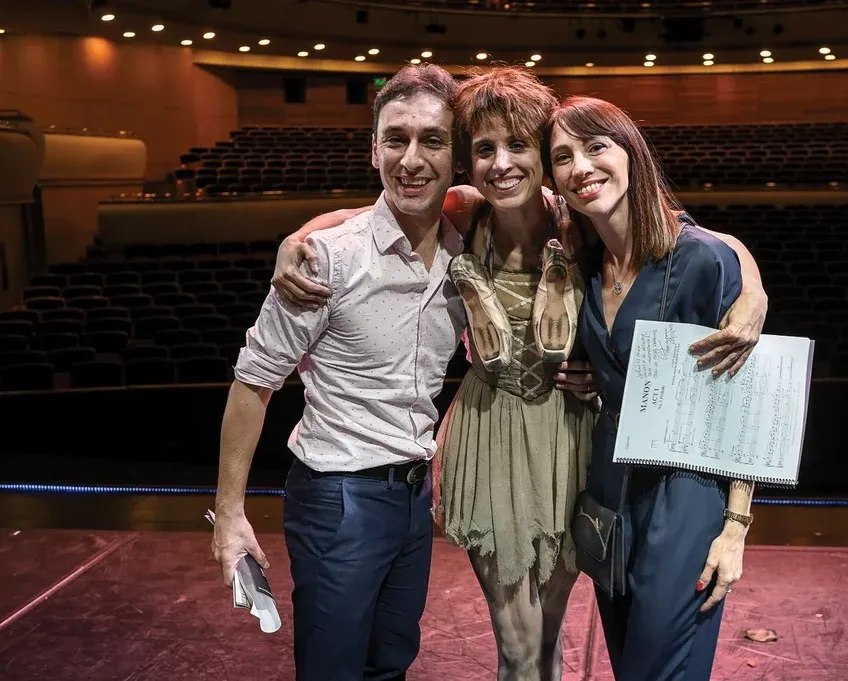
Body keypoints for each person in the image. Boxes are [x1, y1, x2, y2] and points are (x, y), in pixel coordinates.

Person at [271, 70, 767, 681]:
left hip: (570, 442)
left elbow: (704, 239)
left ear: (543, 158)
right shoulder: (466, 212)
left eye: (519, 146)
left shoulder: (579, 220)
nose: (501, 163)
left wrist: (754, 292)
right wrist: (299, 235)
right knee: (519, 645)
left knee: (550, 640)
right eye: (484, 149)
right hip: (492, 436)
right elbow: (376, 211)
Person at [210, 64, 466, 681]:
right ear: (373, 149)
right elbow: (253, 383)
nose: (411, 159)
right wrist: (230, 513)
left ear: (457, 158)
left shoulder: (465, 252)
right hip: (339, 497)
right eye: (395, 139)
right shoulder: (325, 258)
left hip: (415, 497)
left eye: (432, 140)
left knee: (391, 663)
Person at [544, 95, 756, 681]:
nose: (580, 167)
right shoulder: (585, 268)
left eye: (595, 146)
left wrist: (735, 528)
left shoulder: (703, 259)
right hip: (608, 491)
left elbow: (746, 401)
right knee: (628, 665)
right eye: (562, 157)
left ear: (631, 153)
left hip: (685, 492)